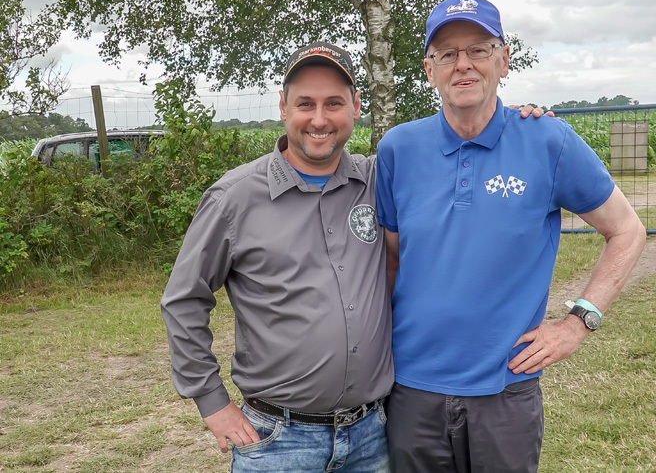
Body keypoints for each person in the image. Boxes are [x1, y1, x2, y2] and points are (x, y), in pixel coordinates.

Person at [161, 39, 549, 472]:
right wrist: (212, 404)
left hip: (372, 435)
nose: (320, 119)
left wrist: (518, 125)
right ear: (283, 107)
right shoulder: (235, 198)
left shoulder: (379, 179)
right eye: (305, 103)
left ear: (356, 106)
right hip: (278, 441)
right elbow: (184, 299)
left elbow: (458, 156)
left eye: (334, 103)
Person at [375, 0, 647, 473]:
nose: (464, 65)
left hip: (505, 388)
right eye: (447, 53)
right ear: (428, 68)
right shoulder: (398, 149)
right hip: (411, 389)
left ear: (503, 61)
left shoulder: (548, 139)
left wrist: (578, 322)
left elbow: (626, 230)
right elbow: (391, 262)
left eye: (479, 50)